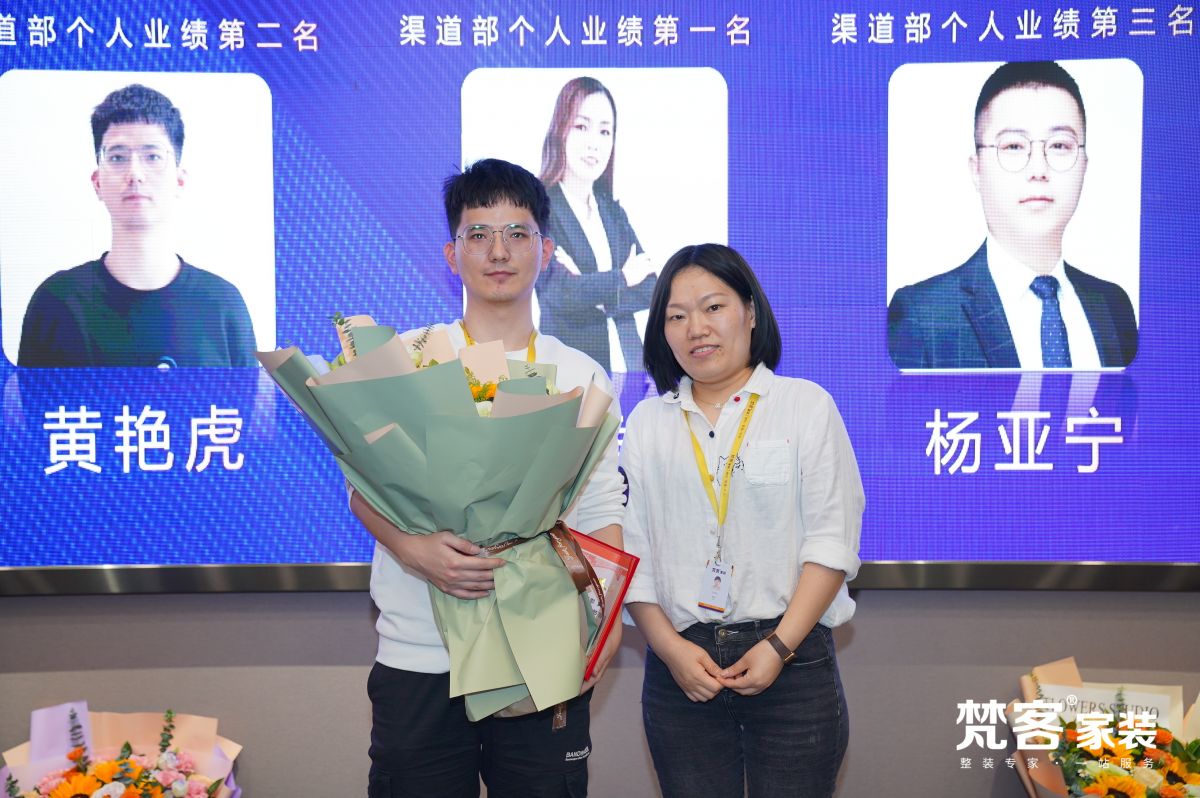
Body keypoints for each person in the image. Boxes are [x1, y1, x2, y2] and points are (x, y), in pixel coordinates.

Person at [349, 158, 626, 798]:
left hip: (539, 645)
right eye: (478, 234)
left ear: (546, 252)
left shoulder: (581, 373)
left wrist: (606, 618)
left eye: (517, 233)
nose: (498, 252)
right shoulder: (410, 360)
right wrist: (415, 551)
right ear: (452, 254)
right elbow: (363, 489)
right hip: (421, 653)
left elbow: (600, 508)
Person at [624, 244, 863, 797]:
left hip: (791, 660)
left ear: (750, 312)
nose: (696, 328)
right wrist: (671, 651)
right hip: (682, 665)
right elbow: (631, 556)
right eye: (677, 316)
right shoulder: (647, 423)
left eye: (713, 307)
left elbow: (832, 542)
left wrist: (779, 647)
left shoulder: (804, 406)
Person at [888, 61, 1138, 370]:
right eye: (1014, 146)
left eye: (1060, 145)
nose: (1038, 169)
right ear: (977, 170)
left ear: (1084, 164)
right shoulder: (922, 315)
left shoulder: (1113, 305)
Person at [18, 84, 256, 368]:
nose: (135, 174)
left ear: (179, 180)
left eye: (152, 156)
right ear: (97, 182)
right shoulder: (56, 302)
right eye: (117, 157)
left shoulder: (223, 304)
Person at [536, 76, 658, 375]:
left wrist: (592, 291)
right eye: (581, 126)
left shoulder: (612, 211)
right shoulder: (539, 212)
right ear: (560, 130)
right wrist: (623, 277)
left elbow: (650, 288)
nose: (594, 143)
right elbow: (560, 292)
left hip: (632, 371)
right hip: (568, 378)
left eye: (605, 131)